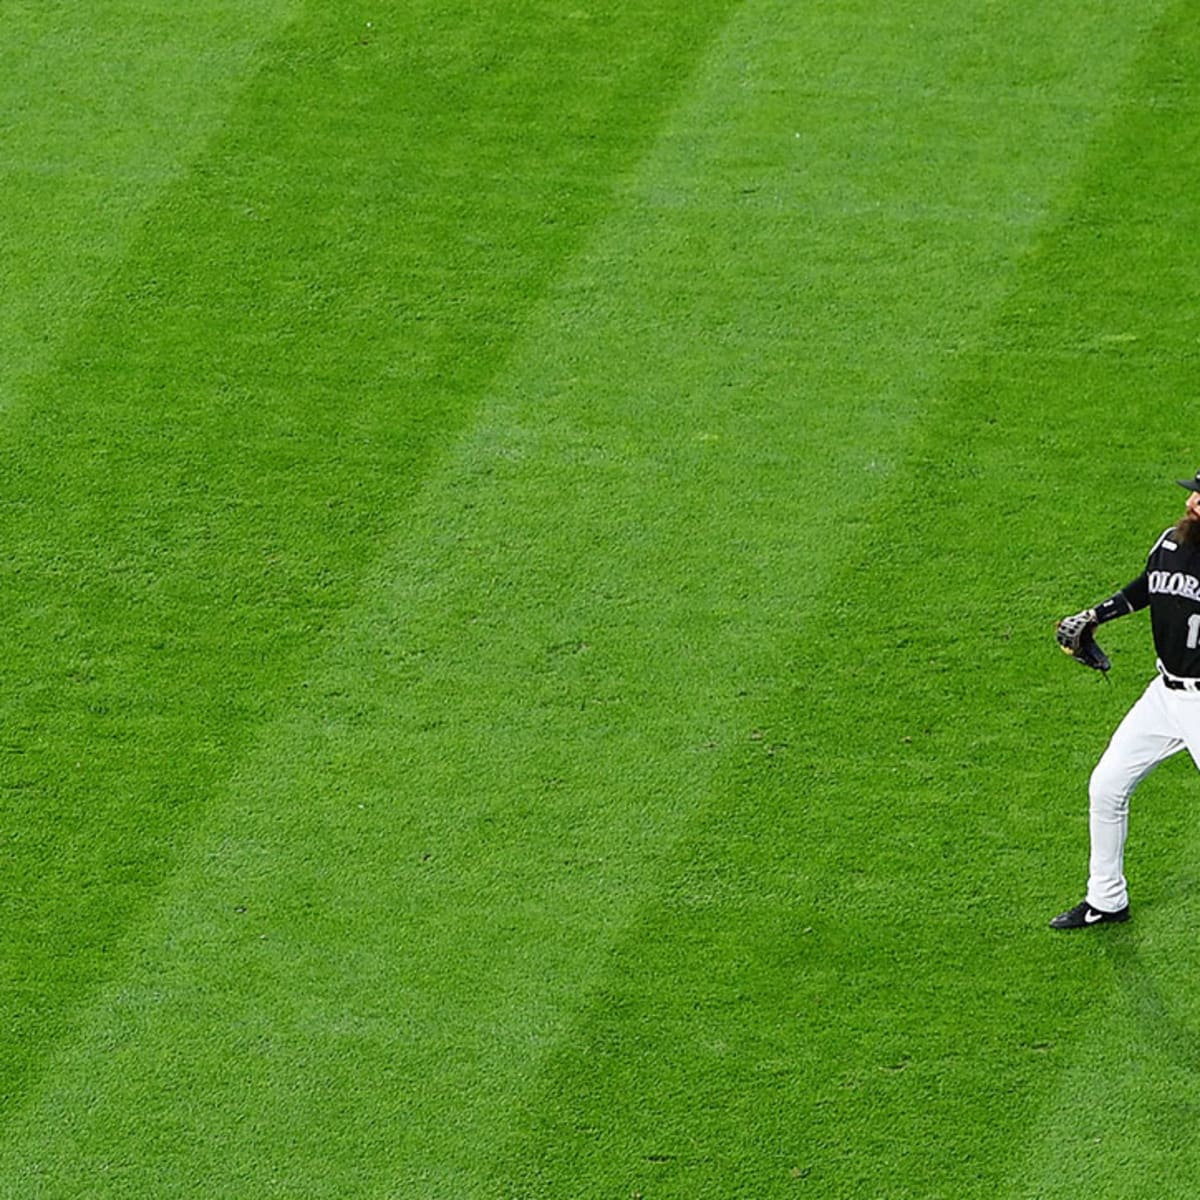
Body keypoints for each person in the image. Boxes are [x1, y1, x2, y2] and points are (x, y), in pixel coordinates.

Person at [1050, 470, 1200, 930]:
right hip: (1164, 695)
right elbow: (1150, 584)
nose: (1193, 503)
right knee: (1108, 784)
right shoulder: (1172, 541)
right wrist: (1097, 616)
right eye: (1195, 494)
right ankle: (1107, 898)